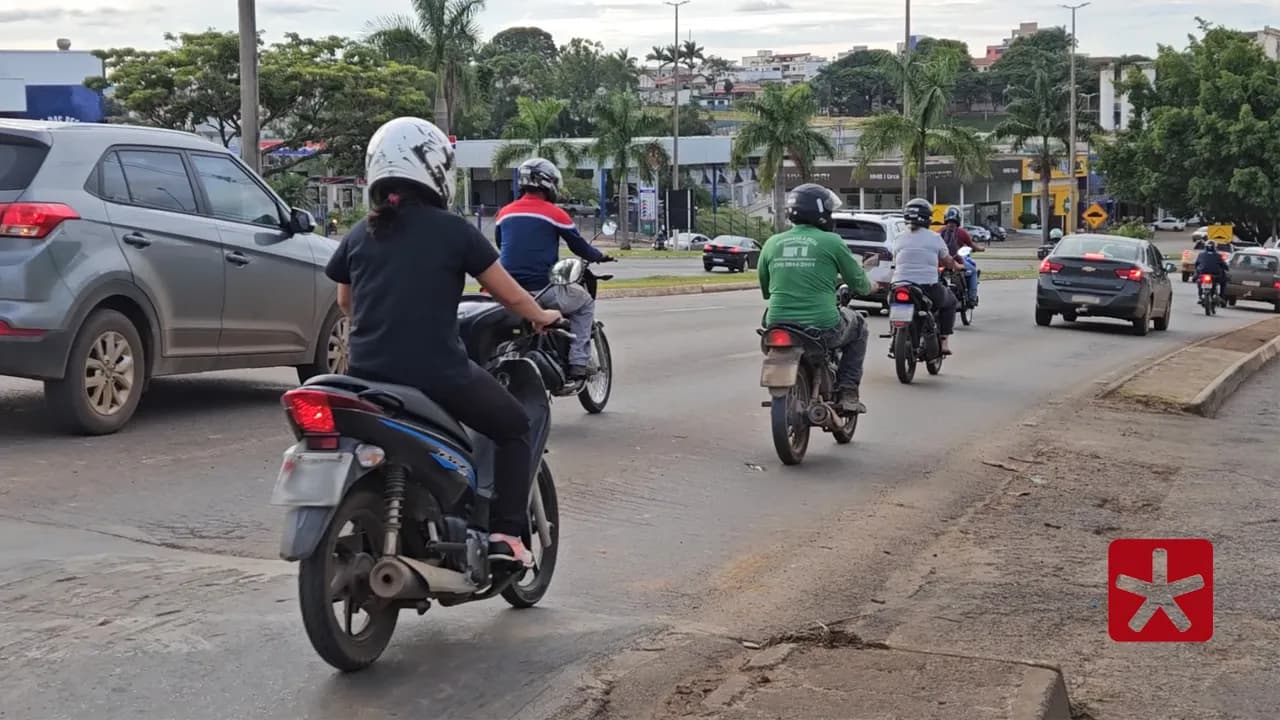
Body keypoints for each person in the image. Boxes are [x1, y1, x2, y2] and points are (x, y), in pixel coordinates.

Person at [323, 117, 562, 568]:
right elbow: (506, 292)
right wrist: (543, 315)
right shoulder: (453, 231)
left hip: (365, 378)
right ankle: (507, 534)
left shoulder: (360, 233)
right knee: (514, 428)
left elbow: (344, 302)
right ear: (436, 170)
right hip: (436, 372)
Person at [758, 183, 872, 414]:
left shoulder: (771, 243)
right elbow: (860, 284)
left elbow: (766, 290)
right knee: (859, 326)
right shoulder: (832, 241)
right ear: (821, 213)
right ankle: (848, 390)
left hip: (777, 323)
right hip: (823, 327)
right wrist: (873, 285)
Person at [496, 158, 614, 379]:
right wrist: (599, 256)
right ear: (549, 183)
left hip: (508, 289)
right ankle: (578, 362)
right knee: (585, 303)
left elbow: (500, 242)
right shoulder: (554, 213)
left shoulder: (504, 213)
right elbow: (579, 246)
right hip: (543, 287)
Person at [891, 198, 966, 356]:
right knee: (951, 302)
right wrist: (957, 266)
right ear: (928, 218)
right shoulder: (934, 238)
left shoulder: (898, 237)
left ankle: (894, 336)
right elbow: (947, 261)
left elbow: (895, 259)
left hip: (899, 285)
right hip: (928, 288)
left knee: (895, 306)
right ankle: (944, 341)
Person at [939, 207, 984, 305]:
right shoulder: (961, 232)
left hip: (940, 263)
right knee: (972, 271)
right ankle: (972, 298)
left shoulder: (939, 232)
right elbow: (972, 246)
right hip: (955, 261)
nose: (951, 224)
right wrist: (981, 248)